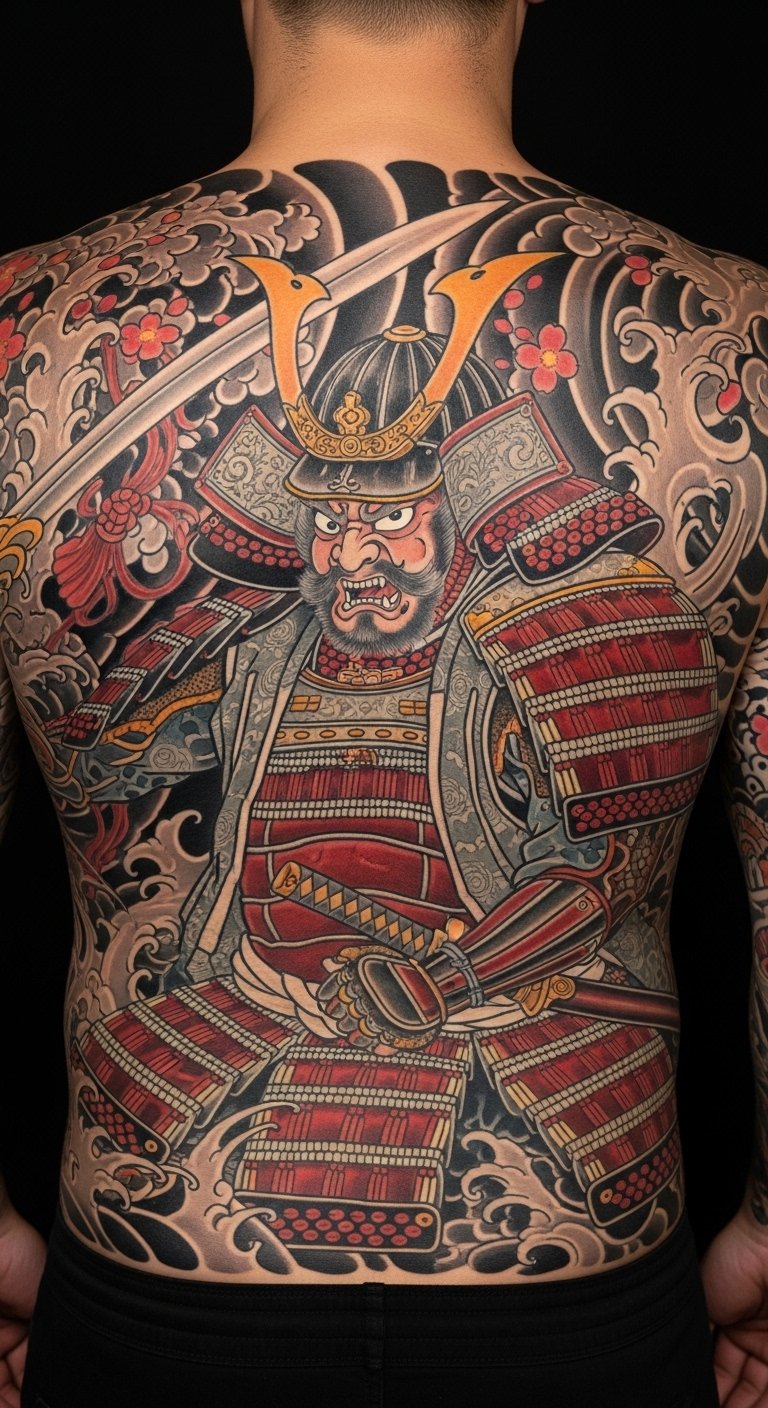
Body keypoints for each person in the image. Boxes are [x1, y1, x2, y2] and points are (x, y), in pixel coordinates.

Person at [1, 1, 767, 1404]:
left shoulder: (15, 334)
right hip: (277, 1208)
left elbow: (583, 871)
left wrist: (459, 977)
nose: (355, 558)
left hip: (476, 1174)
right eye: (332, 521)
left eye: (394, 520)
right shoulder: (744, 341)